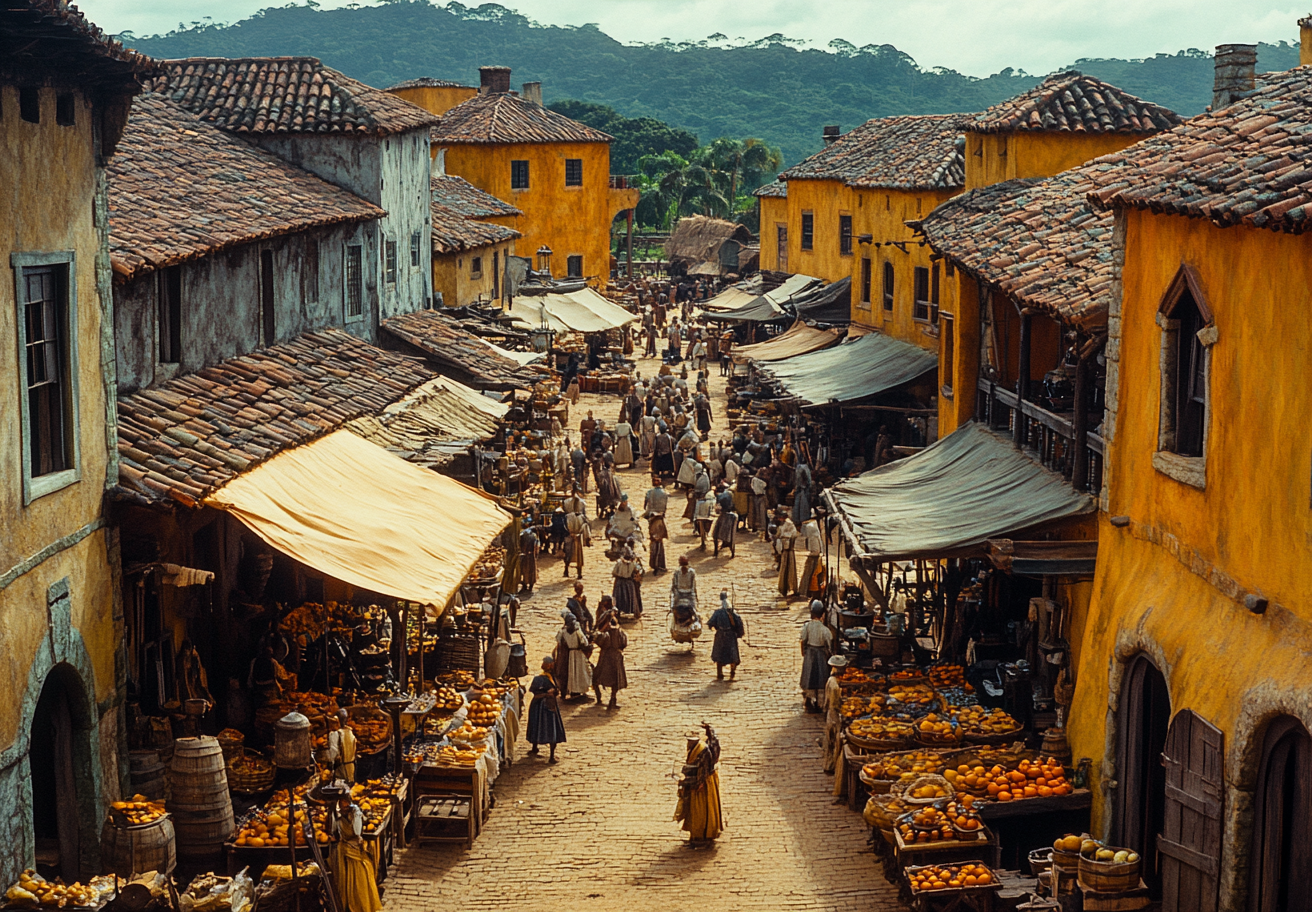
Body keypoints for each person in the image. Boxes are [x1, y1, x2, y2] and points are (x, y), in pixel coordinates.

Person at [330, 791, 382, 912]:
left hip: (356, 848)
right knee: (346, 878)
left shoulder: (355, 813)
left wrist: (357, 836)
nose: (345, 807)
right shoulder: (336, 815)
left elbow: (357, 831)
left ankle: (361, 904)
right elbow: (334, 831)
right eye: (342, 805)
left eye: (346, 804)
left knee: (361, 875)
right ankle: (348, 903)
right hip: (345, 849)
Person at [674, 724, 723, 844]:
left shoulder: (703, 750)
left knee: (700, 810)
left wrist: (700, 783)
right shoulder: (696, 749)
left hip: (703, 783)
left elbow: (704, 769)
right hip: (697, 780)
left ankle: (701, 835)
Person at [527, 657, 566, 763]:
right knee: (549, 728)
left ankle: (537, 749)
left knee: (538, 726)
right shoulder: (541, 679)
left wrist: (553, 692)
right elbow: (536, 693)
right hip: (545, 706)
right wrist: (547, 694)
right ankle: (549, 755)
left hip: (546, 705)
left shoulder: (551, 678)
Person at [799, 601, 834, 712]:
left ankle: (808, 700)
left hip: (809, 653)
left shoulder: (807, 626)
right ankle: (820, 703)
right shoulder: (825, 630)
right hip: (820, 654)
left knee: (808, 676)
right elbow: (829, 644)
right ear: (822, 615)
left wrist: (803, 652)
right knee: (821, 677)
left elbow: (803, 640)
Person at [591, 609, 628, 709]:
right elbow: (624, 644)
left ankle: (599, 697)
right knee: (615, 679)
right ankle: (613, 699)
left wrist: (601, 630)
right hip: (616, 657)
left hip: (605, 657)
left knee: (597, 676)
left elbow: (597, 640)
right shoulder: (620, 633)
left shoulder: (605, 634)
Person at [555, 612, 593, 700]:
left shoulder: (563, 632)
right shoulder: (577, 632)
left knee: (569, 672)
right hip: (578, 654)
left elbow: (559, 641)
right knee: (579, 672)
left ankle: (569, 690)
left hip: (568, 654)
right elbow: (585, 642)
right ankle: (576, 690)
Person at [707, 591, 744, 681]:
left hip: (720, 635)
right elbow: (739, 624)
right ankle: (732, 671)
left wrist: (716, 627)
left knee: (720, 655)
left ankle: (720, 673)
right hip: (730, 635)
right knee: (732, 654)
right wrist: (739, 633)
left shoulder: (718, 612)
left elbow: (710, 623)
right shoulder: (733, 612)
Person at [822, 655, 847, 773]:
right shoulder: (834, 685)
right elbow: (835, 703)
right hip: (834, 715)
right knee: (833, 740)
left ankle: (830, 764)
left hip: (830, 713)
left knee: (831, 740)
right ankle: (830, 766)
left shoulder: (831, 680)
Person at [324, 708, 358, 783]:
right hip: (351, 769)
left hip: (341, 770)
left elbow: (333, 755)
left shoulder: (335, 734)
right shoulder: (351, 732)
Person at [644, 479, 670, 574]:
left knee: (653, 541)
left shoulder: (650, 492)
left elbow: (646, 505)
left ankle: (654, 564)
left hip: (652, 519)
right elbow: (665, 507)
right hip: (660, 519)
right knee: (660, 542)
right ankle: (661, 564)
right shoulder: (664, 493)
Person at [799, 509, 825, 602]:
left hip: (815, 554)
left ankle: (809, 592)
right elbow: (814, 545)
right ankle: (807, 592)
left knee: (813, 575)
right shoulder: (811, 527)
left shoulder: (814, 526)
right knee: (812, 575)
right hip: (814, 554)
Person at [612, 546, 645, 617]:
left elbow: (614, 572)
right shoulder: (633, 564)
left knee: (619, 597)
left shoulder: (619, 563)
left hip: (620, 582)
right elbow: (640, 570)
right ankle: (634, 611)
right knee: (631, 597)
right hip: (629, 583)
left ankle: (618, 611)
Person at [775, 509, 800, 599]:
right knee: (784, 568)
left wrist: (784, 537)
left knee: (790, 569)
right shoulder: (783, 524)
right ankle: (783, 588)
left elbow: (793, 534)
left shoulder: (789, 524)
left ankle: (792, 587)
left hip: (788, 549)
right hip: (784, 549)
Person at [563, 504, 590, 579]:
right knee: (571, 554)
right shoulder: (571, 517)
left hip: (574, 538)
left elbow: (585, 526)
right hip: (573, 538)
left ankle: (576, 572)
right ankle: (568, 570)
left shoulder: (570, 517)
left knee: (575, 555)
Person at [519, 521, 539, 595]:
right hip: (531, 555)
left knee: (524, 570)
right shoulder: (534, 535)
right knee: (531, 570)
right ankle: (530, 585)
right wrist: (536, 554)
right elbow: (537, 545)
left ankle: (525, 585)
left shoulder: (522, 535)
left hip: (525, 555)